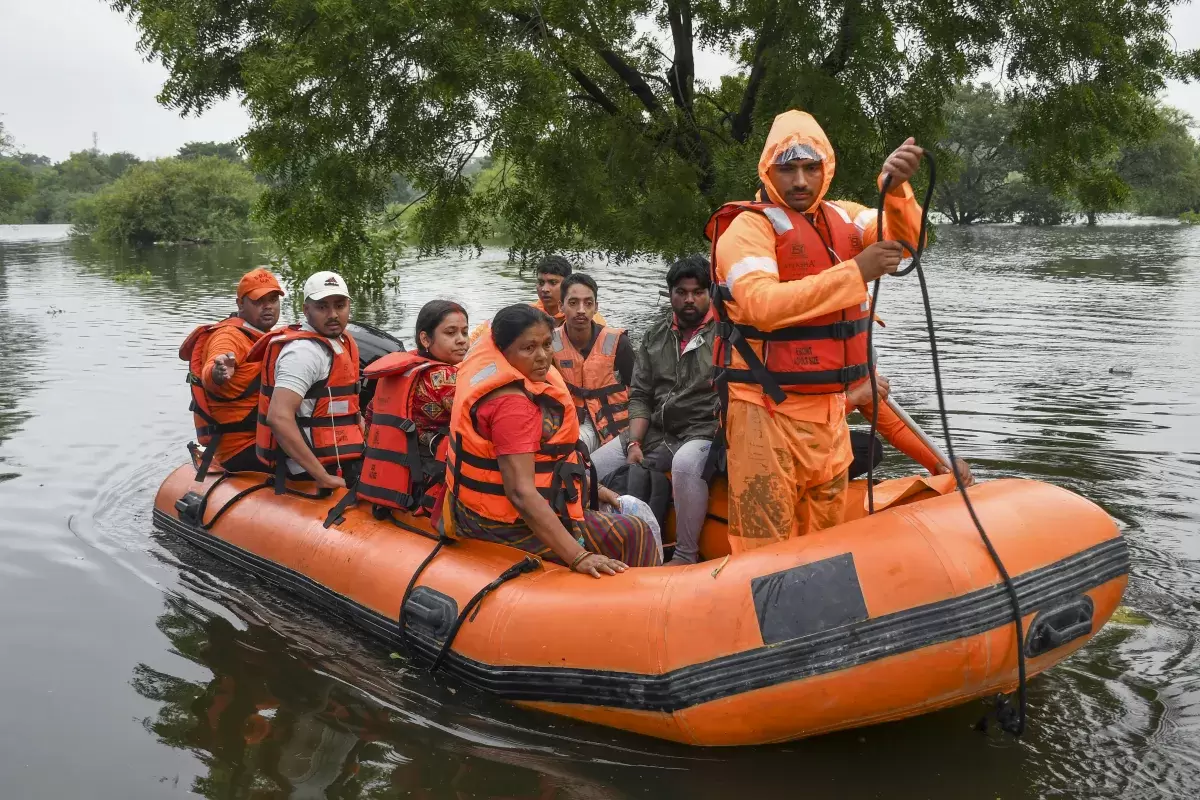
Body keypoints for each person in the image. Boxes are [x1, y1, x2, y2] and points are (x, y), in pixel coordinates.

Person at [707, 109, 925, 552]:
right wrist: (855, 272)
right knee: (765, 552)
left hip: (830, 417)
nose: (800, 181)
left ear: (826, 169)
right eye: (787, 169)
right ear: (769, 171)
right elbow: (761, 306)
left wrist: (896, 190)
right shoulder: (748, 228)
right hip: (764, 415)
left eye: (811, 168)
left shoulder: (847, 216)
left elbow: (902, 242)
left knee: (826, 544)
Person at [446, 304, 661, 576]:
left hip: (507, 505)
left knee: (623, 518)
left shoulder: (516, 380)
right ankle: (644, 606)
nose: (543, 357)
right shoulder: (511, 406)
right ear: (503, 350)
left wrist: (593, 489)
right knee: (633, 532)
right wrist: (579, 556)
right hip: (500, 522)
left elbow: (548, 461)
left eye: (547, 344)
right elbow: (521, 493)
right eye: (529, 348)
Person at [589, 255, 719, 566]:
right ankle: (595, 536)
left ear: (710, 293)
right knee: (590, 466)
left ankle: (686, 554)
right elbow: (641, 396)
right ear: (670, 293)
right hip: (656, 430)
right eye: (681, 292)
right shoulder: (655, 335)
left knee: (687, 464)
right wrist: (634, 443)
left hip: (703, 430)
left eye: (698, 292)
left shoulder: (726, 335)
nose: (689, 299)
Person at [248, 271, 364, 490]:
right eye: (322, 307)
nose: (333, 314)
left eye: (340, 305)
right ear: (306, 310)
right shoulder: (303, 353)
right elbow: (278, 418)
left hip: (341, 455)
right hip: (313, 468)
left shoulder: (341, 341)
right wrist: (323, 478)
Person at [356, 301, 469, 513]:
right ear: (426, 338)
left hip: (399, 478)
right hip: (430, 480)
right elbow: (479, 420)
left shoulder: (400, 370)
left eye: (465, 332)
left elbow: (370, 416)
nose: (461, 340)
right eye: (451, 333)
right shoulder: (444, 376)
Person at [179, 267, 284, 474]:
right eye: (258, 301)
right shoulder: (228, 336)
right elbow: (212, 367)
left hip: (265, 438)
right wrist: (217, 374)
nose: (268, 307)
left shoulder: (263, 335)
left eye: (273, 300)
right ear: (240, 304)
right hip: (243, 448)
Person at [550, 273, 635, 452]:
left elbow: (639, 389)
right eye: (573, 303)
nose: (581, 310)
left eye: (588, 303)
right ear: (561, 306)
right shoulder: (549, 342)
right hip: (569, 420)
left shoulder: (618, 342)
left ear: (596, 307)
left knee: (573, 447)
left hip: (612, 425)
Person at [844, 374, 974, 484]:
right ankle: (826, 490)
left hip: (831, 447)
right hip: (824, 445)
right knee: (866, 447)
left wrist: (940, 462)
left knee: (870, 449)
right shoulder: (828, 356)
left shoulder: (858, 363)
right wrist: (852, 398)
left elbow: (896, 428)